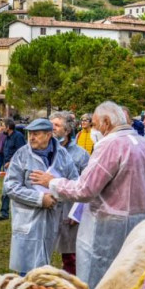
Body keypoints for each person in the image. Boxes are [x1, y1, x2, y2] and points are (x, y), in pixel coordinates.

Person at [32, 101, 145, 289]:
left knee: (98, 282)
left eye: (94, 124)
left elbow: (85, 190)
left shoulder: (109, 144)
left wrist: (52, 182)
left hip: (106, 228)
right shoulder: (144, 144)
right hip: (139, 224)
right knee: (130, 281)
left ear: (106, 122)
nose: (93, 129)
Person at [4, 118, 79, 275]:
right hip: (28, 218)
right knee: (26, 265)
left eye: (36, 134)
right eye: (30, 134)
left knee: (44, 263)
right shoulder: (21, 155)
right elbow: (10, 186)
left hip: (53, 216)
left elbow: (75, 182)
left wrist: (57, 190)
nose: (31, 137)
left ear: (48, 135)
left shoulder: (63, 155)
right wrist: (39, 199)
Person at [50, 110, 90, 275]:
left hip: (70, 210)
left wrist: (78, 212)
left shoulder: (81, 155)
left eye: (56, 125)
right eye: (50, 125)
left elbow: (88, 186)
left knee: (71, 252)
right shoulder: (45, 151)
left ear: (67, 130)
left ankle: (73, 282)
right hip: (48, 206)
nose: (52, 128)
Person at [0, 118, 27, 221]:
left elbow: (22, 152)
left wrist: (11, 162)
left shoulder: (18, 137)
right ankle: (4, 213)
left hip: (16, 168)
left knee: (10, 190)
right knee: (5, 190)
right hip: (7, 169)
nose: (1, 127)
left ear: (8, 127)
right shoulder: (7, 137)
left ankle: (9, 213)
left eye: (3, 125)